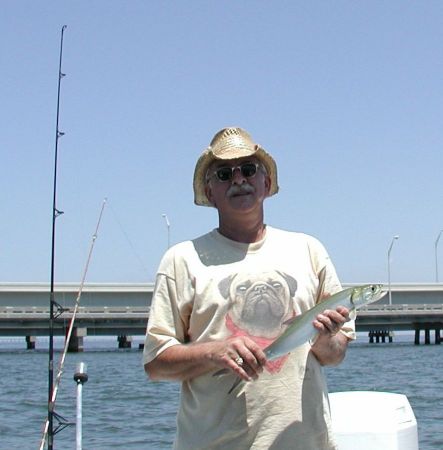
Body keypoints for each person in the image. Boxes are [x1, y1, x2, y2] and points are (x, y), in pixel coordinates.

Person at [143, 127, 355, 450]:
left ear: (266, 184)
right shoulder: (181, 260)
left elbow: (335, 354)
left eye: (249, 170)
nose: (239, 179)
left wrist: (326, 338)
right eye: (225, 174)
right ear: (210, 191)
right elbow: (156, 363)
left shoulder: (310, 251)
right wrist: (215, 352)